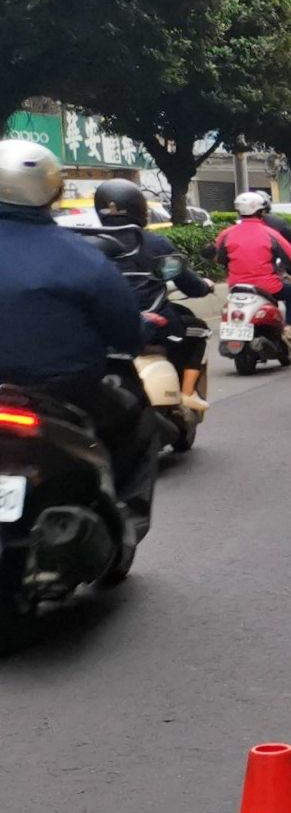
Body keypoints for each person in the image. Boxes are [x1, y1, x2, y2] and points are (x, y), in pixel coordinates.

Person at [0, 140, 159, 529]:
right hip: (63, 391)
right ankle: (122, 517)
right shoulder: (82, 257)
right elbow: (127, 333)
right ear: (53, 190)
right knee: (138, 421)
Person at [87, 179, 211, 411]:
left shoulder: (86, 244)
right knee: (199, 330)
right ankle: (186, 393)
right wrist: (204, 286)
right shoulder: (154, 242)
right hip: (153, 322)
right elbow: (190, 284)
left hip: (102, 325)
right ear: (139, 207)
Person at [210, 191, 291, 334]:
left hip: (236, 287)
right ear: (262, 212)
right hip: (268, 287)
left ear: (238, 212)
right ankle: (290, 329)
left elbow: (217, 256)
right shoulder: (271, 233)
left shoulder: (227, 233)